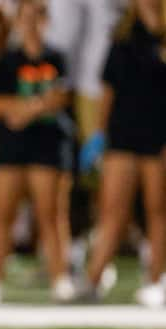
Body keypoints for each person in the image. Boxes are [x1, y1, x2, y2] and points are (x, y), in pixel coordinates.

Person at [0, 0, 75, 305]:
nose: (32, 23)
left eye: (38, 16)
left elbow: (61, 96)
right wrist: (31, 106)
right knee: (2, 214)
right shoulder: (7, 59)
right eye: (26, 16)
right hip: (11, 147)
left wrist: (26, 109)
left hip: (47, 143)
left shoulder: (57, 56)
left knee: (51, 213)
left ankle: (61, 277)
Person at [79, 0, 166, 307]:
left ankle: (157, 280)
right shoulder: (121, 38)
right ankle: (93, 280)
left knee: (158, 210)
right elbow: (108, 91)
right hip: (123, 134)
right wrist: (100, 135)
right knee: (112, 210)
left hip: (159, 135)